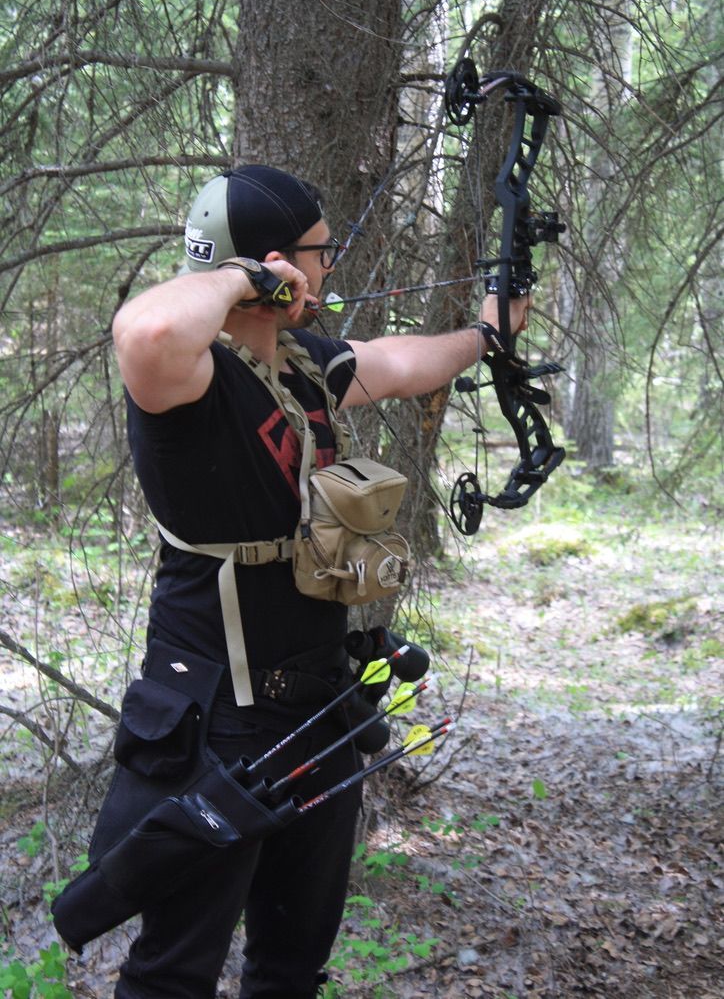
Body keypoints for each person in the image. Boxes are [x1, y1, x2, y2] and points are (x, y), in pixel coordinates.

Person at [95, 165, 529, 999]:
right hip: (216, 724)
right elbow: (146, 333)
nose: (329, 269)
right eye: (318, 255)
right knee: (173, 973)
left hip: (316, 714)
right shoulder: (186, 379)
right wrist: (234, 279)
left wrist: (486, 334)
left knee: (291, 966)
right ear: (272, 265)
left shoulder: (299, 364)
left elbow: (397, 361)